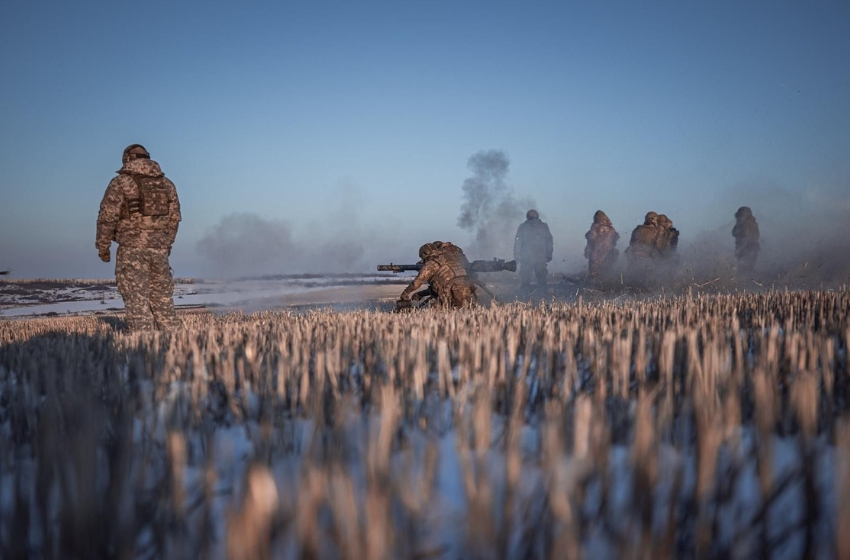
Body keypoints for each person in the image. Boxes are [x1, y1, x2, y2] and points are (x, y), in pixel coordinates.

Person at [96, 144, 181, 331]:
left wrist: (103, 246)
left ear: (127, 159)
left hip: (132, 250)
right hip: (159, 252)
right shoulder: (167, 184)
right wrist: (166, 244)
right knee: (163, 301)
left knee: (137, 301)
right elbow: (174, 219)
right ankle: (177, 348)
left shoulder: (120, 183)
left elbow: (107, 217)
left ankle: (145, 348)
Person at [396, 242, 478, 310]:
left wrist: (405, 294)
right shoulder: (449, 258)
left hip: (452, 293)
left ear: (424, 255)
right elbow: (442, 284)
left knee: (432, 313)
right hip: (467, 289)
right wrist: (421, 294)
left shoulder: (431, 265)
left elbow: (416, 283)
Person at [513, 209, 553, 295]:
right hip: (541, 257)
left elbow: (518, 242)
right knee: (542, 280)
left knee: (525, 280)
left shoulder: (523, 227)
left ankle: (523, 298)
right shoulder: (544, 226)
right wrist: (549, 254)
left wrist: (517, 255)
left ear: (527, 217)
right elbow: (549, 241)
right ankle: (543, 297)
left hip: (526, 258)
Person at [584, 210, 619, 277]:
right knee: (606, 272)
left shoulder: (595, 227)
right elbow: (615, 240)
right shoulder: (611, 229)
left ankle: (592, 282)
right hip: (608, 254)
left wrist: (587, 251)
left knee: (593, 272)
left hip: (596, 253)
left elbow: (591, 238)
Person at [732, 206, 760, 273]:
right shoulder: (753, 224)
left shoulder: (743, 224)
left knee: (743, 270)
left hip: (745, 250)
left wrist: (739, 250)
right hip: (753, 249)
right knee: (749, 269)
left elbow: (741, 234)